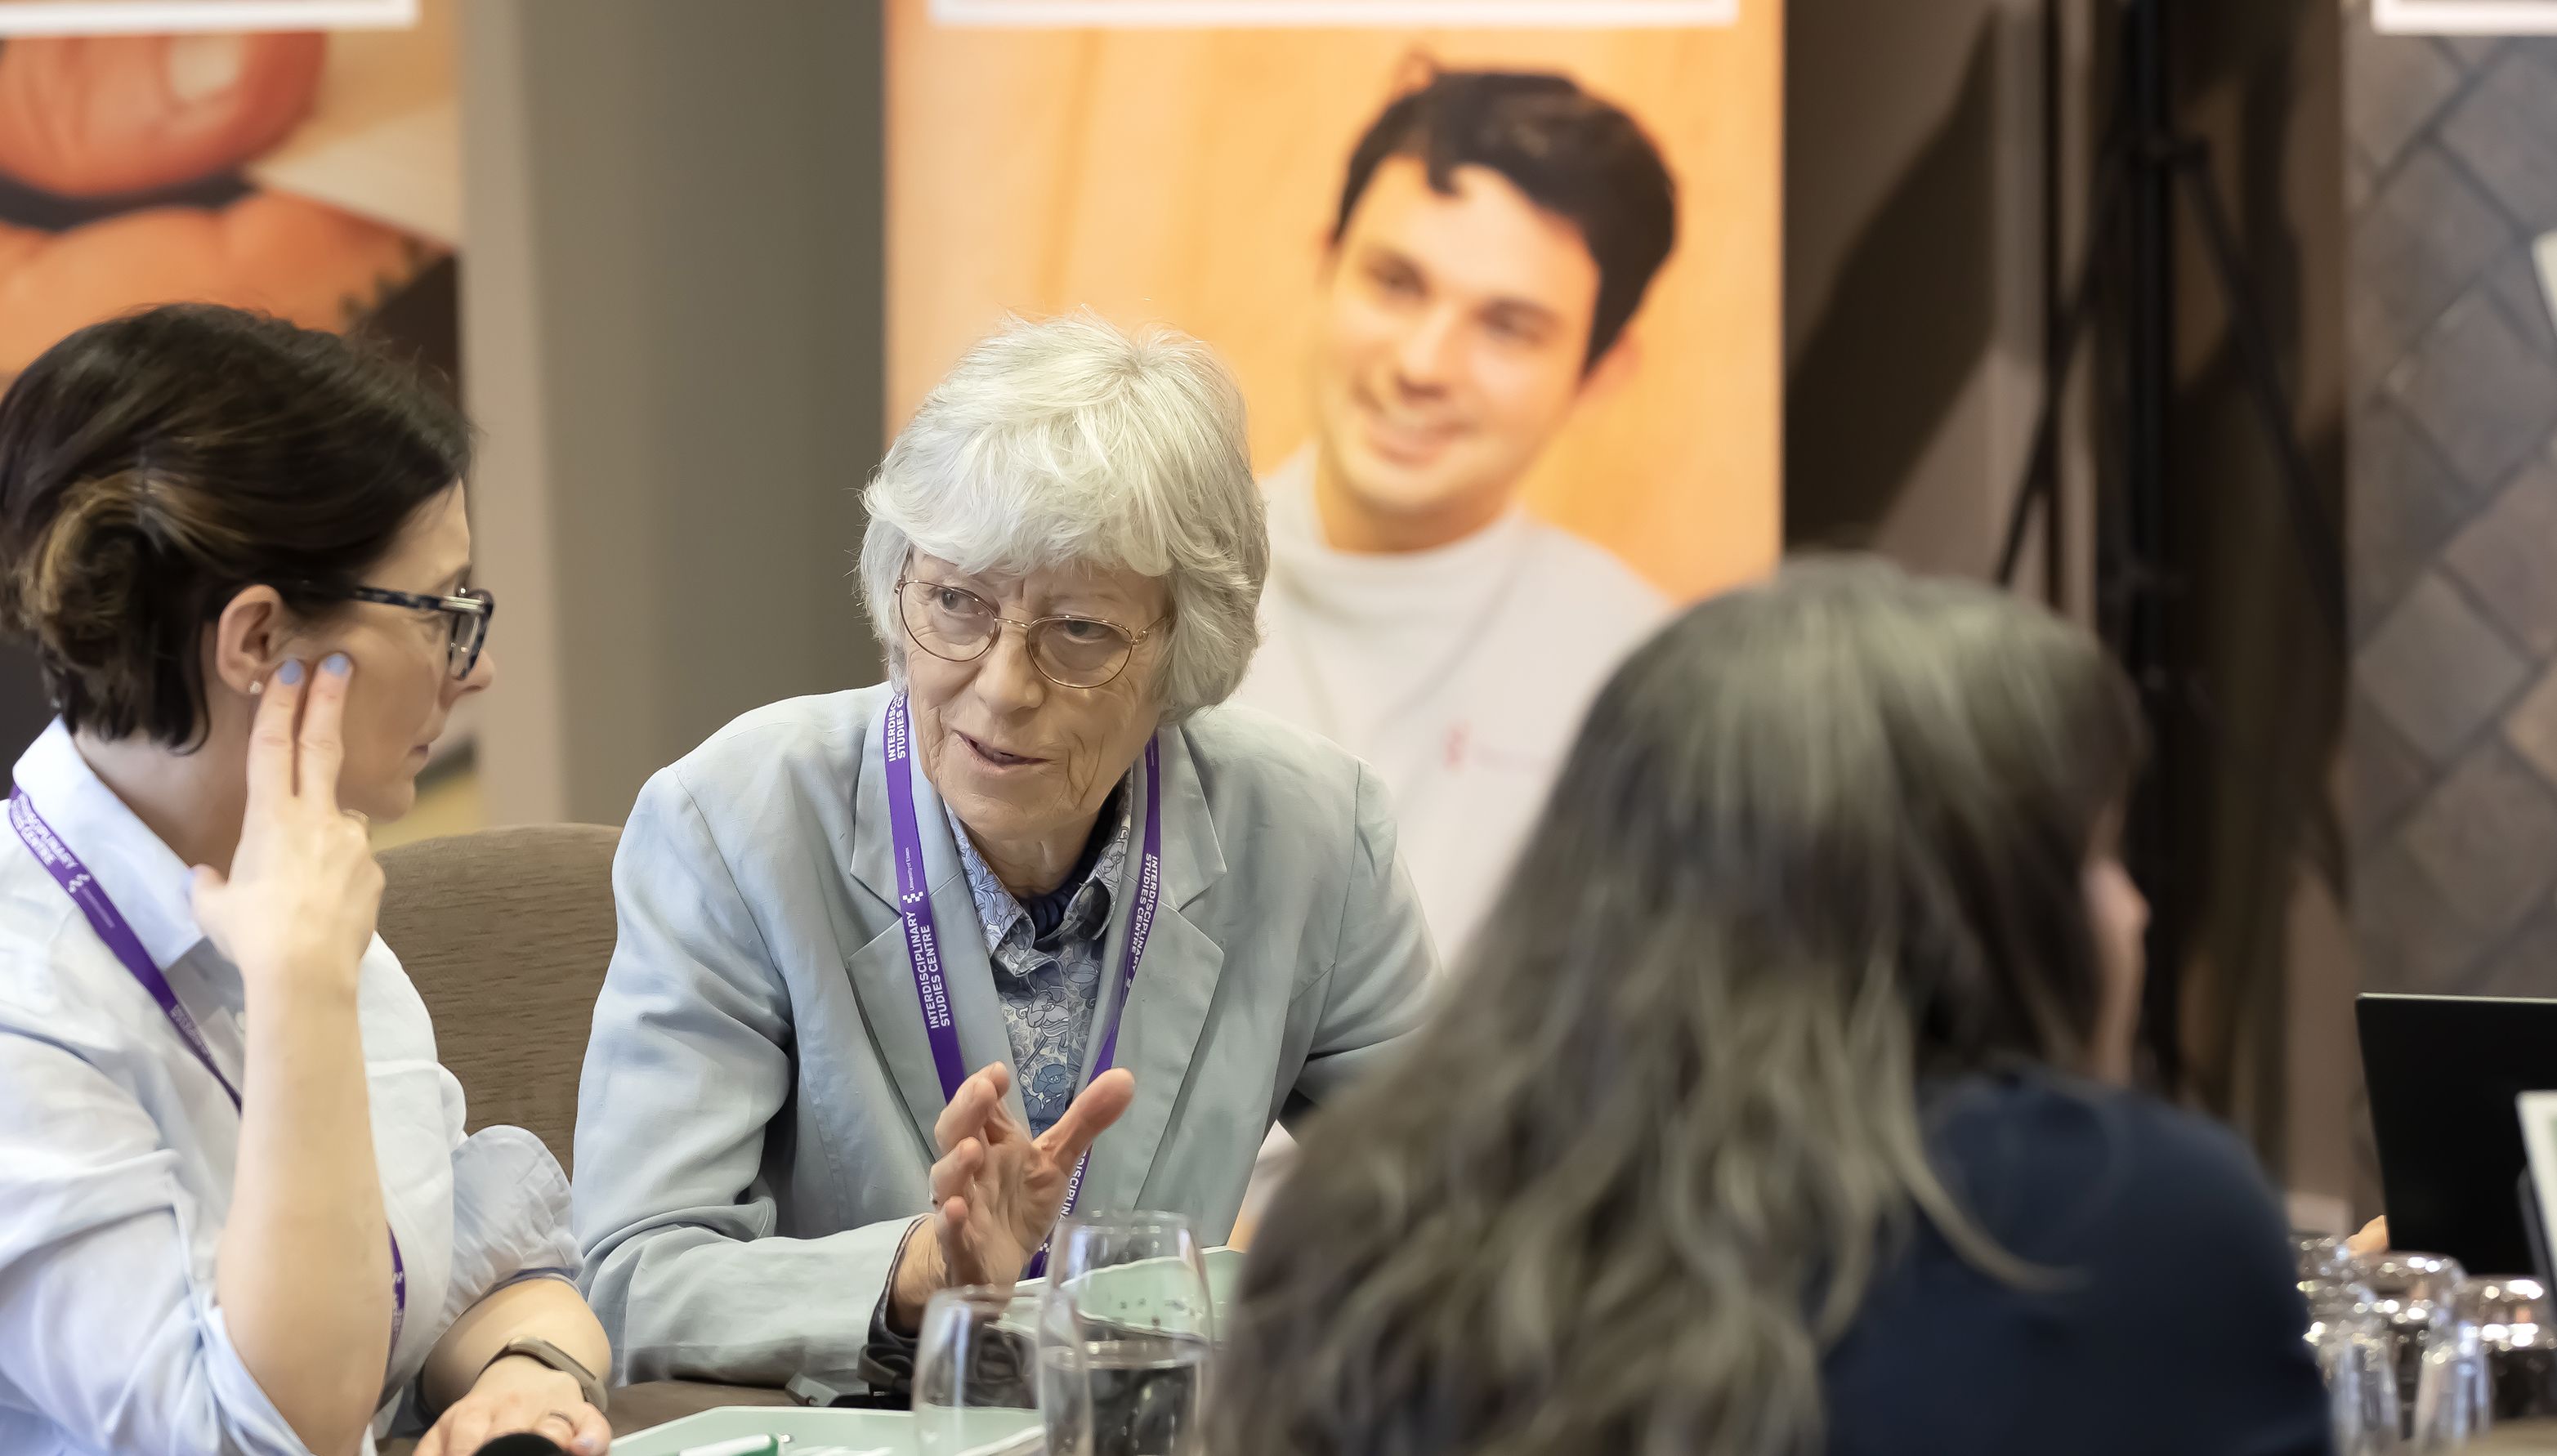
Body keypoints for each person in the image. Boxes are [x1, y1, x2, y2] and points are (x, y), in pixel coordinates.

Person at [1216, 561, 2331, 1456]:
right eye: (2097, 854)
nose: (2132, 911)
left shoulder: (1367, 1208)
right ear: (1970, 904)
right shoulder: (2134, 1217)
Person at [571, 313, 1437, 1388]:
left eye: (1080, 631)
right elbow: (630, 1273)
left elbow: (1468, 1207)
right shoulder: (735, 822)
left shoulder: (1311, 833)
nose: (1000, 686)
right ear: (900, 584)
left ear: (1185, 648)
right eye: (957, 603)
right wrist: (918, 1270)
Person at [0, 305, 613, 1456]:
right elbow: (253, 1435)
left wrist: (531, 1368)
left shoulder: (303, 892)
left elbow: (468, 1258)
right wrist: (299, 999)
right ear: (257, 639)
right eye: (441, 612)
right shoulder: (28, 999)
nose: (468, 673)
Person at [1231, 68, 1679, 955]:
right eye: (1395, 283)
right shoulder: (1125, 600)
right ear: (1326, 267)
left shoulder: (1642, 679)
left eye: (1508, 326)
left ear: (1602, 369)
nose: (1425, 363)